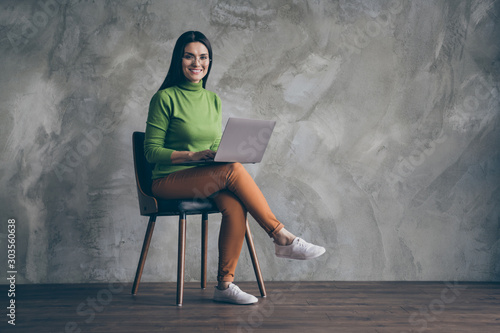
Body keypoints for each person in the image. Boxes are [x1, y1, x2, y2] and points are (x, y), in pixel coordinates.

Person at [144, 31, 325, 305]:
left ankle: (224, 286)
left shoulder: (212, 100)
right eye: (189, 56)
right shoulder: (164, 98)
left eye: (203, 57)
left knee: (235, 204)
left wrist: (222, 153)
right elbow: (150, 152)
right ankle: (281, 236)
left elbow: (215, 142)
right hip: (167, 181)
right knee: (233, 171)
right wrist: (194, 155)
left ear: (209, 61)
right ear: (178, 59)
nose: (197, 63)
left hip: (204, 177)